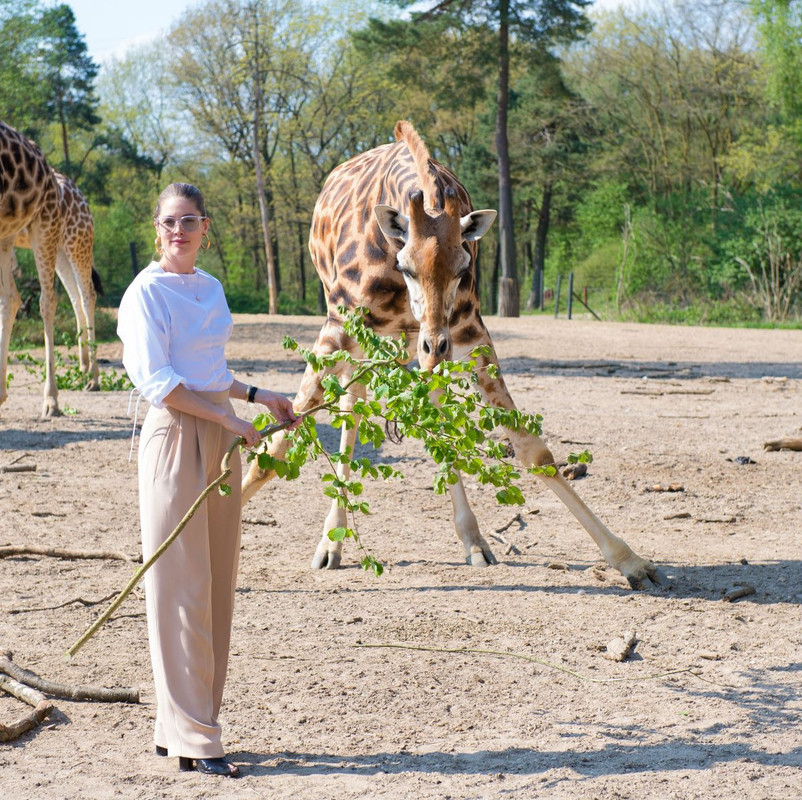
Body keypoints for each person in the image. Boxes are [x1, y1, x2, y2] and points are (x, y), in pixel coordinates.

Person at [117, 182, 298, 778]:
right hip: (174, 437)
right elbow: (162, 381)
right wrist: (226, 418)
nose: (178, 231)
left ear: (205, 227)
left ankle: (182, 727)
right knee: (180, 589)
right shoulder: (144, 293)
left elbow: (210, 371)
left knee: (217, 584)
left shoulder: (213, 289)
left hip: (221, 439)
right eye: (169, 222)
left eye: (188, 221)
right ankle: (197, 737)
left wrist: (259, 395)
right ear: (157, 227)